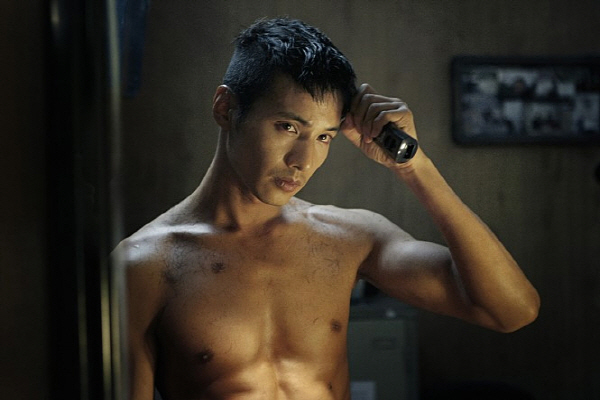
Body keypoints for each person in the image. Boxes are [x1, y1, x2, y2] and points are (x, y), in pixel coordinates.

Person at [114, 17, 540, 400]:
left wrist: (414, 166)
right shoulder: (145, 265)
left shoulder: (347, 238)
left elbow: (511, 311)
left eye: (324, 137)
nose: (303, 161)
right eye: (287, 127)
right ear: (226, 109)